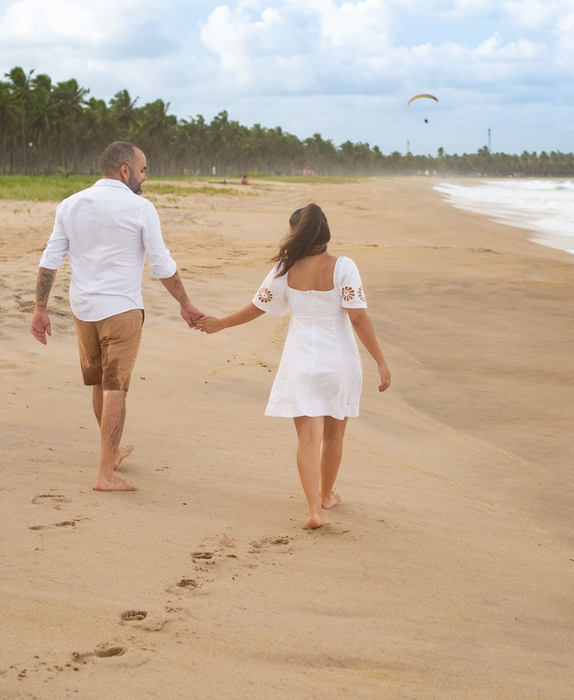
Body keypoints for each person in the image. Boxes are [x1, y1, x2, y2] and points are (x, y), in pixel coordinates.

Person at [197, 203, 390, 529]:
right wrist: (380, 361)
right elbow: (357, 317)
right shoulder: (343, 266)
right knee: (334, 437)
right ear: (325, 233)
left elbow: (257, 307)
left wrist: (220, 324)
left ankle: (314, 510)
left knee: (308, 441)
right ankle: (326, 496)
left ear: (297, 234)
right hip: (339, 362)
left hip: (301, 362)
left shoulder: (285, 269)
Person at [30, 141, 204, 492]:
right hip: (122, 310)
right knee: (116, 389)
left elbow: (50, 261)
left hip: (84, 310)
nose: (144, 176)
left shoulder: (70, 204)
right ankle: (105, 475)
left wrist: (40, 308)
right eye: (142, 170)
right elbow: (161, 264)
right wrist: (185, 303)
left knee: (100, 383)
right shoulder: (141, 208)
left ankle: (113, 453)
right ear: (125, 170)